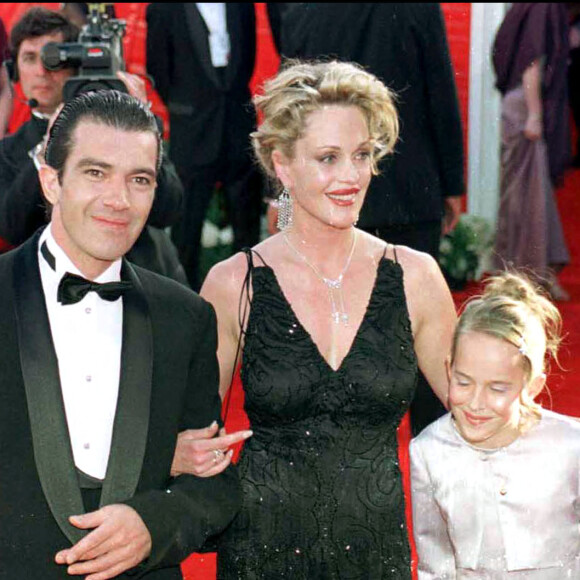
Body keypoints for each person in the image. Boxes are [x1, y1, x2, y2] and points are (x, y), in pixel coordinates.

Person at [171, 60, 456, 578]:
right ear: (282, 166)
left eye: (363, 155)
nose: (350, 176)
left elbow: (479, 406)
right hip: (259, 552)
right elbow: (183, 425)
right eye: (327, 158)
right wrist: (179, 451)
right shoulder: (235, 283)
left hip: (376, 556)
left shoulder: (415, 277)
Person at [0, 90, 240, 579]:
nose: (119, 200)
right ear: (50, 181)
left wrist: (153, 523)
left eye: (139, 180)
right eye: (95, 173)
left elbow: (214, 484)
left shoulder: (185, 316)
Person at [271, 3, 465, 435]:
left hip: (321, 196)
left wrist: (283, 200)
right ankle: (428, 460)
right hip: (407, 192)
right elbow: (440, 87)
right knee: (421, 343)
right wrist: (451, 183)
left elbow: (290, 110)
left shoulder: (296, 8)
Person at [0, 6, 187, 285]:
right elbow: (13, 228)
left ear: (78, 62)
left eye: (54, 59)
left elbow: (169, 210)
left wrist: (142, 120)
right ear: (16, 71)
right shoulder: (9, 152)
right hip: (40, 291)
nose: (42, 71)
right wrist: (46, 147)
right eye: (29, 58)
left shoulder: (127, 130)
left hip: (140, 283)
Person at [410, 271, 580, 578]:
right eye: (463, 382)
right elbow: (434, 563)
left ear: (532, 386)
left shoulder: (571, 446)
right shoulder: (428, 451)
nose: (475, 402)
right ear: (449, 369)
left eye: (497, 388)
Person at [146, 3, 263, 290]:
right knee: (186, 231)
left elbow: (246, 58)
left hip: (237, 127)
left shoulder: (242, 6)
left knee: (246, 228)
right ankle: (181, 302)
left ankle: (249, 303)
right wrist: (187, 105)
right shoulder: (164, 9)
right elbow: (158, 68)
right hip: (192, 132)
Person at [492, 4, 571, 301]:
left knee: (533, 191)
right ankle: (528, 275)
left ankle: (539, 271)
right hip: (526, 106)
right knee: (527, 194)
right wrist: (535, 114)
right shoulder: (542, 7)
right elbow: (531, 63)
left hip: (522, 104)